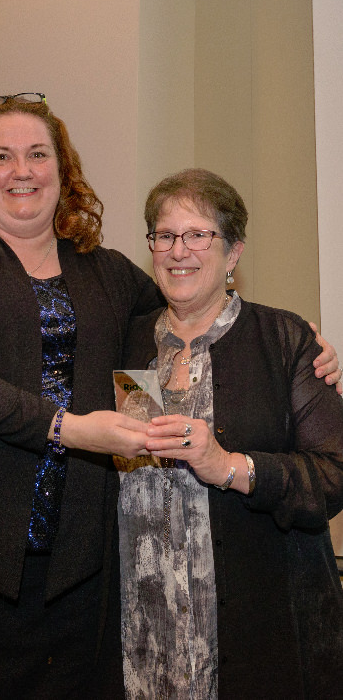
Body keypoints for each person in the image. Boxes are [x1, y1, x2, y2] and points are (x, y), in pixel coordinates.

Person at [0, 97, 339, 699]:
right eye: (1, 156)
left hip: (76, 576)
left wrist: (305, 343)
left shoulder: (104, 270)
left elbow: (191, 302)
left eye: (39, 154)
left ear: (62, 170)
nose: (23, 170)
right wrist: (68, 427)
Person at [118, 168, 343, 700]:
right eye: (165, 236)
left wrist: (230, 467)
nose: (180, 251)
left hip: (259, 637)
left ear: (234, 251)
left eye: (199, 235)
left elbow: (334, 474)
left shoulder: (283, 339)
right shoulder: (126, 340)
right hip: (141, 642)